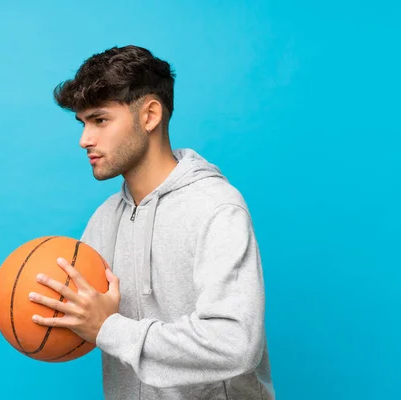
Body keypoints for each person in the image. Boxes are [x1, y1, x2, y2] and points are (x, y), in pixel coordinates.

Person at [28, 45, 275, 399]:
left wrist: (109, 328)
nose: (85, 140)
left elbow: (234, 343)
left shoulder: (216, 207)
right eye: (83, 124)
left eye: (100, 120)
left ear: (150, 116)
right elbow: (85, 321)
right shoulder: (103, 220)